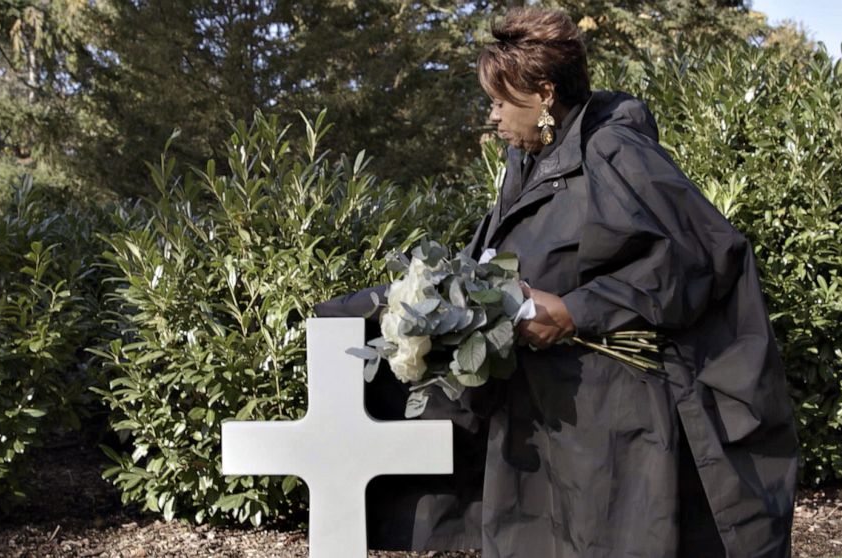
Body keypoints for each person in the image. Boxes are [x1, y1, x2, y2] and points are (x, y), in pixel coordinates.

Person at [315, 7, 798, 557]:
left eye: (499, 102)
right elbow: (484, 267)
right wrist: (377, 308)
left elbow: (700, 257)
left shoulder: (615, 152)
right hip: (543, 419)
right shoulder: (528, 164)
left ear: (543, 93)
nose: (492, 118)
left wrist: (577, 311)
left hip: (612, 426)